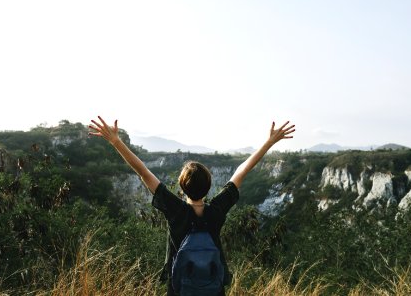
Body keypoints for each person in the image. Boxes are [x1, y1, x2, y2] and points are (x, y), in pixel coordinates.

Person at [89, 116, 295, 295]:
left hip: (180, 289)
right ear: (209, 186)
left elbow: (143, 171)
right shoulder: (216, 210)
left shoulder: (176, 211)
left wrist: (115, 141)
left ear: (181, 186)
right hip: (213, 288)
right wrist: (269, 143)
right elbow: (242, 171)